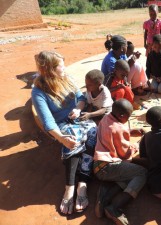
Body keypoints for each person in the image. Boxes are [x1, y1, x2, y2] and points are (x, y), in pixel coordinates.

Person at [31, 51, 97, 215]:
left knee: (93, 129)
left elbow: (81, 97)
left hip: (77, 119)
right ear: (51, 69)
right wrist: (61, 138)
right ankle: (70, 187)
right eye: (61, 65)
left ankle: (83, 182)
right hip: (61, 125)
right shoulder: (38, 91)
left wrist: (77, 108)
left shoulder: (67, 78)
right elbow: (48, 122)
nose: (64, 67)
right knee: (71, 138)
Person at [93, 99, 147, 224]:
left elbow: (113, 131)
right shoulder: (118, 128)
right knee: (141, 173)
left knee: (129, 174)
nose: (128, 119)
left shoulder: (106, 118)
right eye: (128, 117)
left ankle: (105, 196)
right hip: (108, 166)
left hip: (99, 165)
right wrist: (136, 146)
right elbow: (124, 153)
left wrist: (131, 130)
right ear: (122, 115)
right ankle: (115, 207)